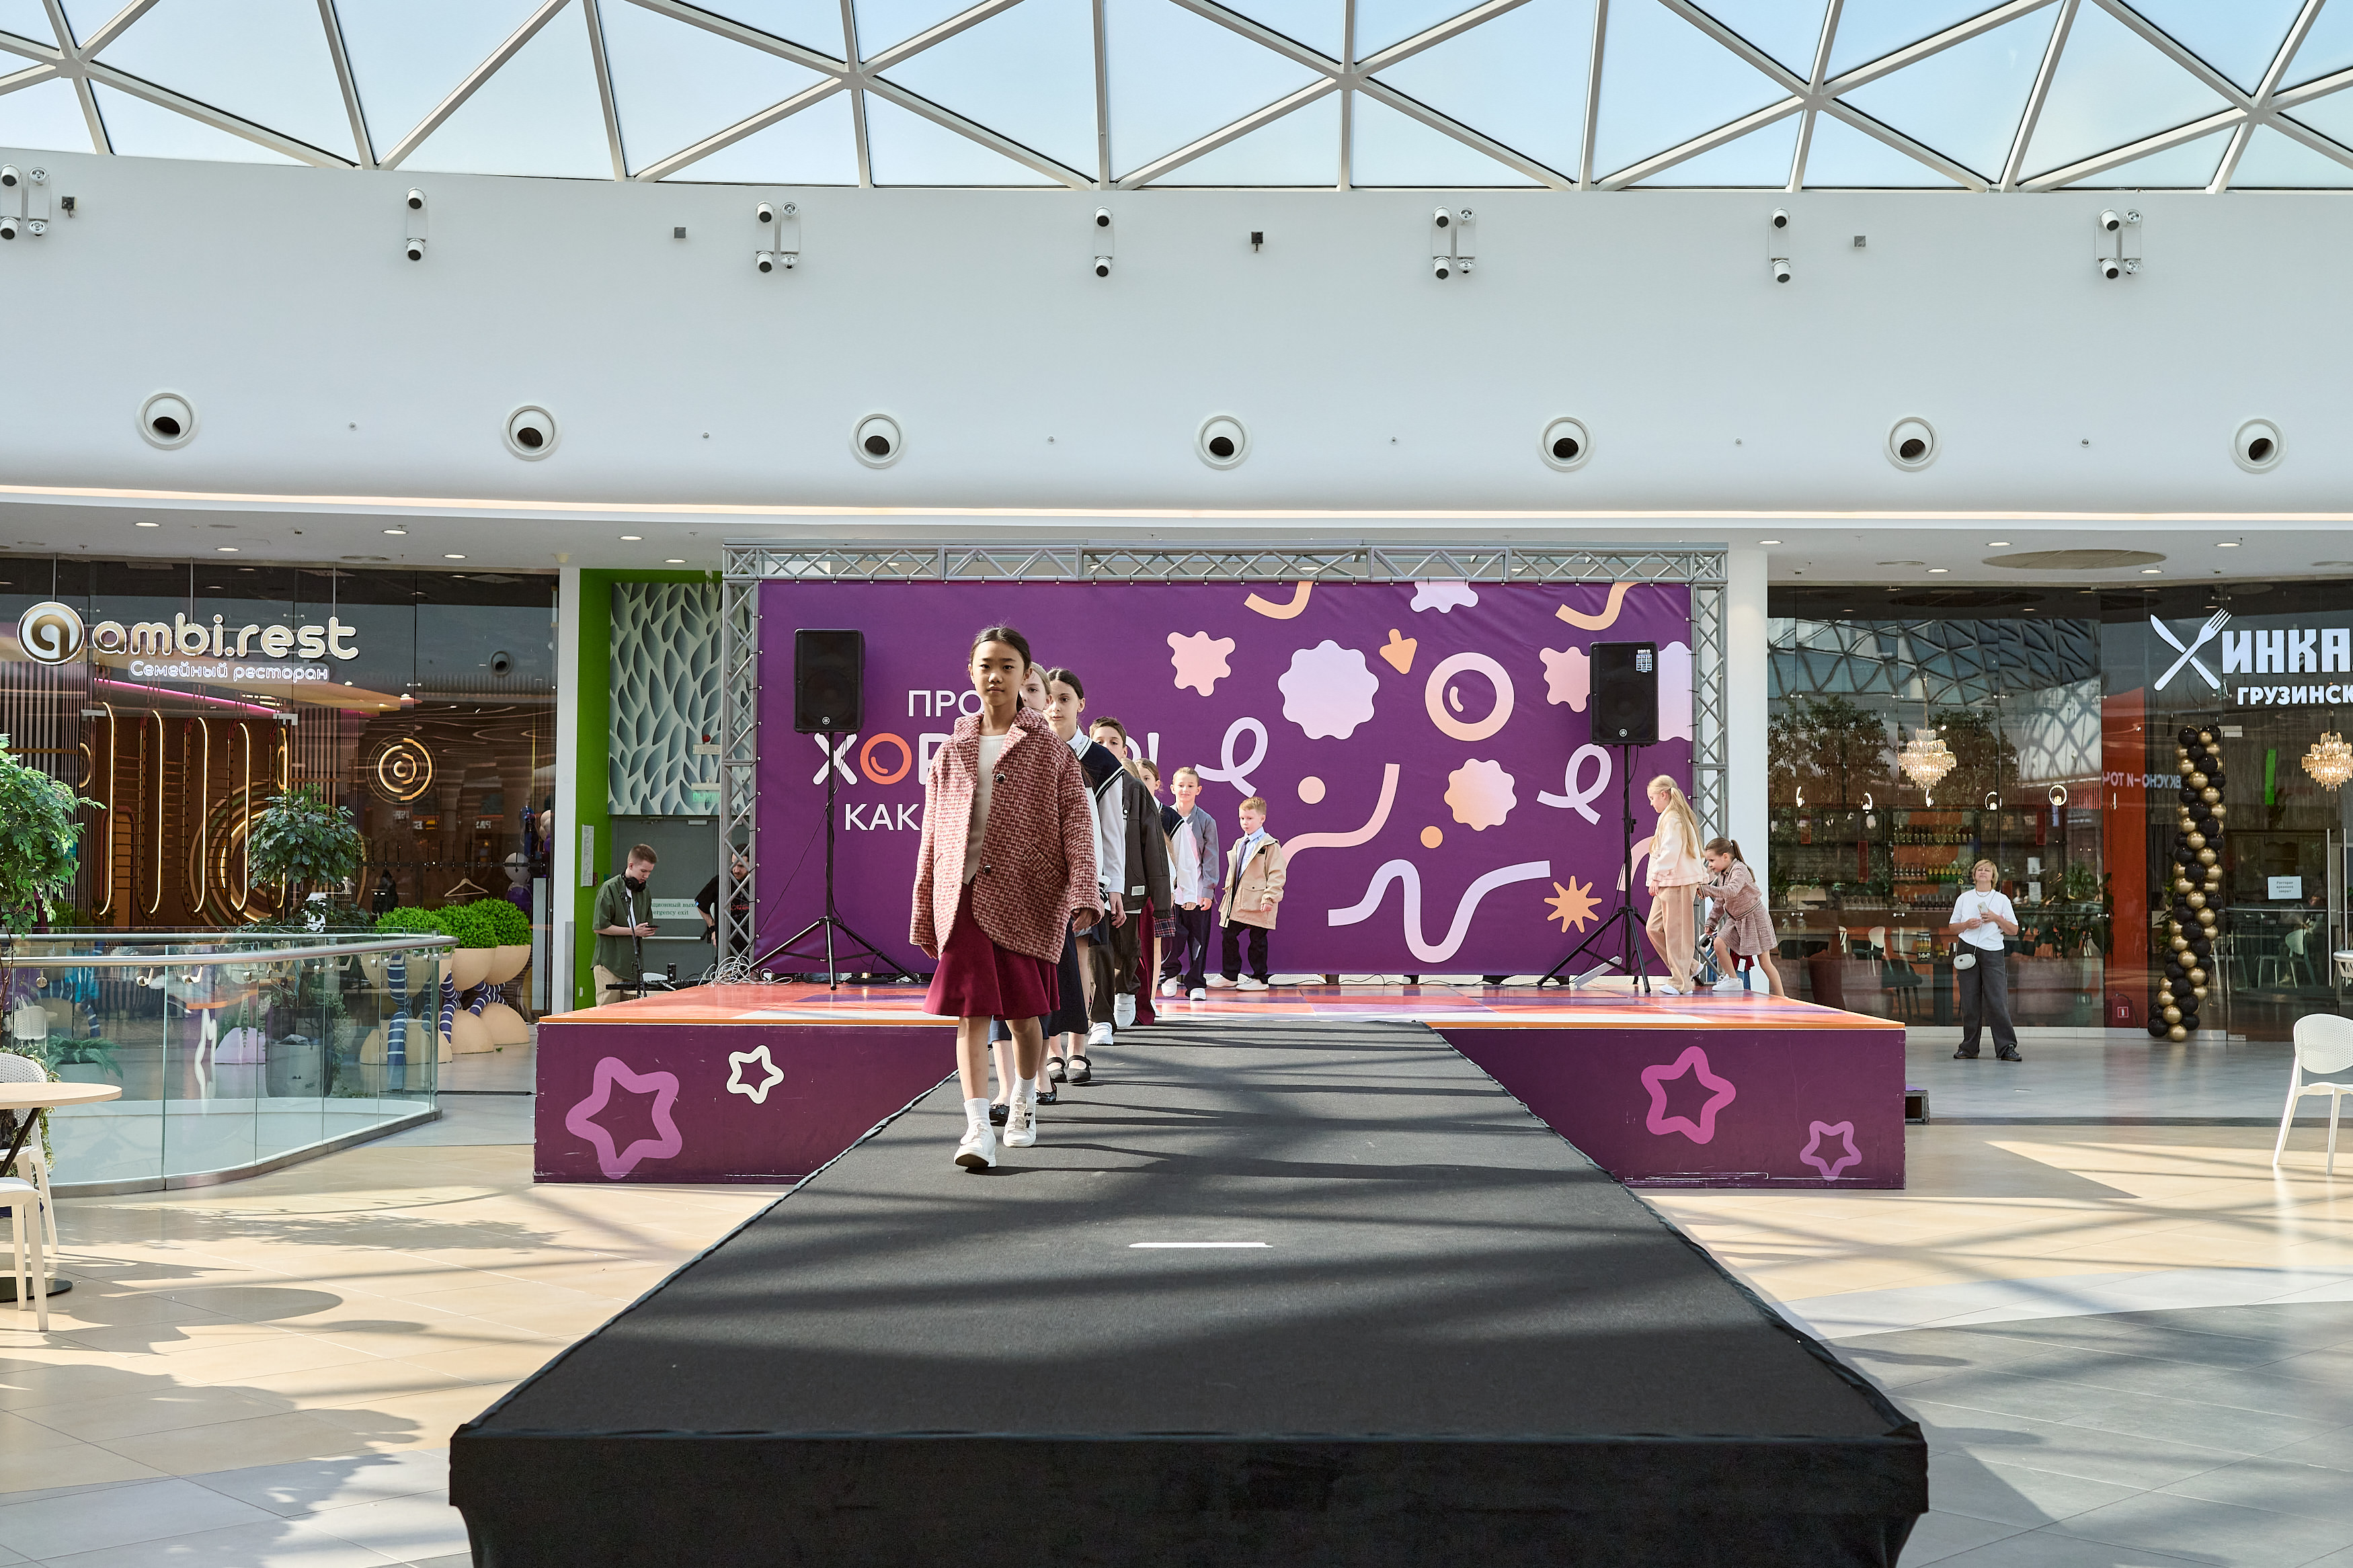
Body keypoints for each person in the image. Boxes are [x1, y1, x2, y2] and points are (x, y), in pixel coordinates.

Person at [911, 625, 1099, 1171]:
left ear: (1025, 674)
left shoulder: (1051, 750)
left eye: (1007, 666)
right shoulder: (951, 750)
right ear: (970, 672)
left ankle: (1023, 1100)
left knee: (1023, 1017)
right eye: (986, 665)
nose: (995, 676)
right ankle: (976, 1128)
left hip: (1027, 897)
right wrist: (925, 903)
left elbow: (1077, 825)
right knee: (970, 1015)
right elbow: (932, 835)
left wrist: (1083, 887)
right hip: (964, 898)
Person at [1039, 669, 1121, 1085]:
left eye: (1065, 699)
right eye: (1048, 698)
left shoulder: (1102, 761)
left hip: (1087, 878)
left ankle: (1078, 1049)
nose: (1055, 707)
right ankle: (1051, 1051)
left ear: (1081, 704)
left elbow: (1112, 830)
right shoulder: (1031, 751)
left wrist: (1113, 885)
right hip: (1040, 880)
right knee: (1047, 965)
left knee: (1080, 961)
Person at [1084, 715, 1171, 1051]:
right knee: (1098, 950)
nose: (1106, 747)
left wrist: (1160, 899)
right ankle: (1101, 1019)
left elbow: (1154, 847)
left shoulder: (1134, 789)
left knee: (1127, 949)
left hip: (1131, 887)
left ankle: (1126, 989)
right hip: (1091, 884)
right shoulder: (1076, 779)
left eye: (1114, 742)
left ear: (1125, 749)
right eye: (1100, 741)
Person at [1946, 858, 2021, 1061]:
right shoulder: (1964, 898)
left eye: (1987, 870)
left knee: (1997, 1001)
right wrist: (1966, 925)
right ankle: (1969, 1047)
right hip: (1967, 949)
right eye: (1979, 869)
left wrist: (1996, 918)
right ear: (1974, 875)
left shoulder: (2002, 900)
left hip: (1993, 951)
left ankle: (2006, 1047)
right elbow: (1952, 927)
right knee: (1969, 1001)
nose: (1983, 872)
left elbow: (2014, 930)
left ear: (1993, 876)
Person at [1158, 765, 1221, 1001]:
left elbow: (1211, 858)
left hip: (1198, 891)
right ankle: (1169, 975)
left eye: (1190, 786)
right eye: (1181, 785)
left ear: (1198, 790)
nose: (1185, 790)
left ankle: (1196, 983)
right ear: (1172, 788)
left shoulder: (1206, 821)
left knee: (1198, 938)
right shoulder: (1162, 817)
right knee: (1170, 938)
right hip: (1172, 892)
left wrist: (1207, 891)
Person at [1209, 795, 1285, 990]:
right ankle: (1230, 975)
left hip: (1259, 900)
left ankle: (1260, 979)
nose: (1245, 822)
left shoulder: (1270, 845)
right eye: (1242, 818)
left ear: (1262, 819)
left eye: (1250, 818)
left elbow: (1277, 874)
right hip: (1237, 900)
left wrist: (1270, 897)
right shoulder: (1240, 843)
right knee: (1228, 934)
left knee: (1258, 940)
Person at [1642, 776, 1706, 995]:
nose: (1651, 803)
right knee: (1653, 928)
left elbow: (1671, 851)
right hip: (1670, 882)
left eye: (1653, 798)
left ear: (1664, 795)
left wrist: (1657, 877)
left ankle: (1681, 982)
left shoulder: (1674, 819)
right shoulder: (1670, 817)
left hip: (1676, 882)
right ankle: (1690, 968)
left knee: (1676, 932)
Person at [1700, 837, 1784, 997]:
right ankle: (1734, 980)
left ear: (1725, 857)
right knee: (1718, 944)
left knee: (1765, 963)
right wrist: (1711, 922)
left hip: (1754, 918)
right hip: (1736, 919)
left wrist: (1708, 889)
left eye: (1711, 860)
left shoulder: (1740, 869)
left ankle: (1782, 996)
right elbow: (1720, 901)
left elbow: (1731, 891)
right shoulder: (1723, 875)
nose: (1709, 865)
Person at [592, 844, 659, 1002]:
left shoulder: (645, 891)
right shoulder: (609, 888)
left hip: (633, 966)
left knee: (631, 1012)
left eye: (650, 872)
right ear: (631, 865)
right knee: (608, 1012)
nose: (646, 876)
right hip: (610, 963)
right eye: (643, 871)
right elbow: (600, 927)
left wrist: (646, 931)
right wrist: (633, 932)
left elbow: (646, 921)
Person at [696, 849, 750, 957]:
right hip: (727, 945)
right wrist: (713, 928)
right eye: (733, 864)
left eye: (741, 866)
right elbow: (699, 903)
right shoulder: (721, 881)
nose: (736, 870)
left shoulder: (759, 882)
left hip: (754, 945)